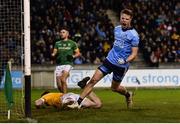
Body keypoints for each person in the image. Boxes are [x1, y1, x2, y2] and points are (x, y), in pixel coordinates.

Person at [68, 8, 140, 109]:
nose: (124, 20)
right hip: (109, 61)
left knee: (114, 88)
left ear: (131, 19)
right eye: (122, 18)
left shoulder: (134, 35)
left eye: (126, 19)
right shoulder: (117, 29)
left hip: (121, 65)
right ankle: (78, 103)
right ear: (120, 18)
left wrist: (125, 60)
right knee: (93, 80)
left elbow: (134, 54)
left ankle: (128, 95)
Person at [35, 77, 102, 109]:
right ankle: (84, 86)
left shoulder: (47, 96)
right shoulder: (53, 100)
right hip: (73, 95)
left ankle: (73, 105)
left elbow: (37, 103)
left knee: (69, 103)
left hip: (66, 97)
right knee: (98, 104)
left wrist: (39, 106)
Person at [51, 27, 81, 93]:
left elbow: (78, 53)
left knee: (63, 79)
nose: (61, 34)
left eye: (63, 32)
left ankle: (65, 98)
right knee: (59, 85)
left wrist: (73, 56)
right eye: (60, 32)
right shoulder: (57, 43)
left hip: (68, 63)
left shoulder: (72, 43)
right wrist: (53, 54)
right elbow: (54, 52)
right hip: (59, 64)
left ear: (67, 34)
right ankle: (64, 96)